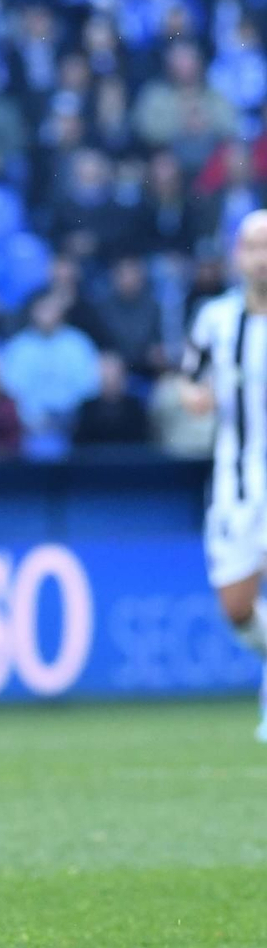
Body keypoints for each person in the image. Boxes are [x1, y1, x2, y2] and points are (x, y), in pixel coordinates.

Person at [180, 210, 267, 741]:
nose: (260, 256)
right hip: (237, 483)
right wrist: (195, 398)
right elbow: (189, 380)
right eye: (252, 246)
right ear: (237, 256)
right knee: (237, 609)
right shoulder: (216, 319)